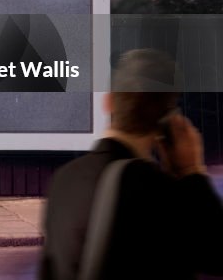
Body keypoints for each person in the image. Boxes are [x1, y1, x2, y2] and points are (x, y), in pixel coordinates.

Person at [40, 48, 223, 280]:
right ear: (166, 120)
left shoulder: (64, 181)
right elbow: (216, 258)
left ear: (108, 102)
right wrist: (192, 172)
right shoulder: (166, 193)